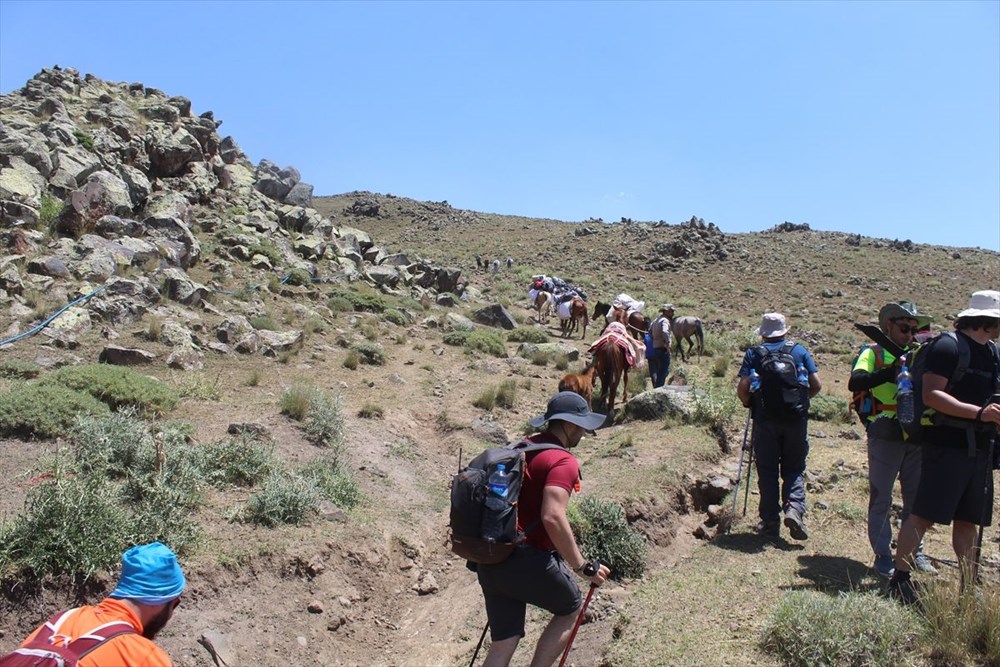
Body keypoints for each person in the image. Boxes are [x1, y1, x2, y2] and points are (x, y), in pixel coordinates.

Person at [475, 391, 611, 667]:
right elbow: (552, 516)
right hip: (527, 557)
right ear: (570, 424)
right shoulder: (563, 461)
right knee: (571, 608)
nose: (584, 434)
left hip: (490, 556)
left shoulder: (520, 448)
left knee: (503, 644)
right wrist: (581, 565)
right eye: (582, 428)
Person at [889, 290, 1000, 603]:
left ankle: (970, 587)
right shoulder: (947, 346)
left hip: (979, 448)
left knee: (969, 519)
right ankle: (900, 580)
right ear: (988, 320)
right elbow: (932, 396)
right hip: (945, 445)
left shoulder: (993, 353)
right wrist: (980, 413)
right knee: (923, 514)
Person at [849, 301, 937, 578]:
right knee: (881, 497)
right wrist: (891, 373)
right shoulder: (872, 351)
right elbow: (856, 381)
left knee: (916, 499)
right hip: (885, 429)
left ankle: (914, 552)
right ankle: (883, 555)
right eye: (904, 327)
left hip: (917, 432)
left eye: (914, 329)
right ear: (889, 325)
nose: (909, 333)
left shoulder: (920, 353)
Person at [9, 542, 185, 666]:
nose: (170, 615)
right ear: (158, 601)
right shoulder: (144, 658)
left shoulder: (63, 620)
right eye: (174, 604)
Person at [736, 313, 821, 540]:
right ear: (785, 331)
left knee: (767, 470)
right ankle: (794, 508)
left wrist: (749, 403)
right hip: (796, 420)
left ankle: (770, 520)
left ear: (763, 333)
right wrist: (802, 402)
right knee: (794, 467)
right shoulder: (799, 351)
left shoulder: (755, 353)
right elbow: (816, 385)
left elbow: (743, 387)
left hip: (765, 421)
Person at [648, 305, 673, 389]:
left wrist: (655, 340)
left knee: (660, 370)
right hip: (663, 348)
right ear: (666, 311)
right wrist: (667, 343)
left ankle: (657, 387)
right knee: (663, 370)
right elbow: (665, 332)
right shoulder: (665, 320)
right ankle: (659, 389)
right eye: (671, 311)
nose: (672, 313)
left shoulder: (655, 320)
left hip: (656, 348)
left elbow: (650, 332)